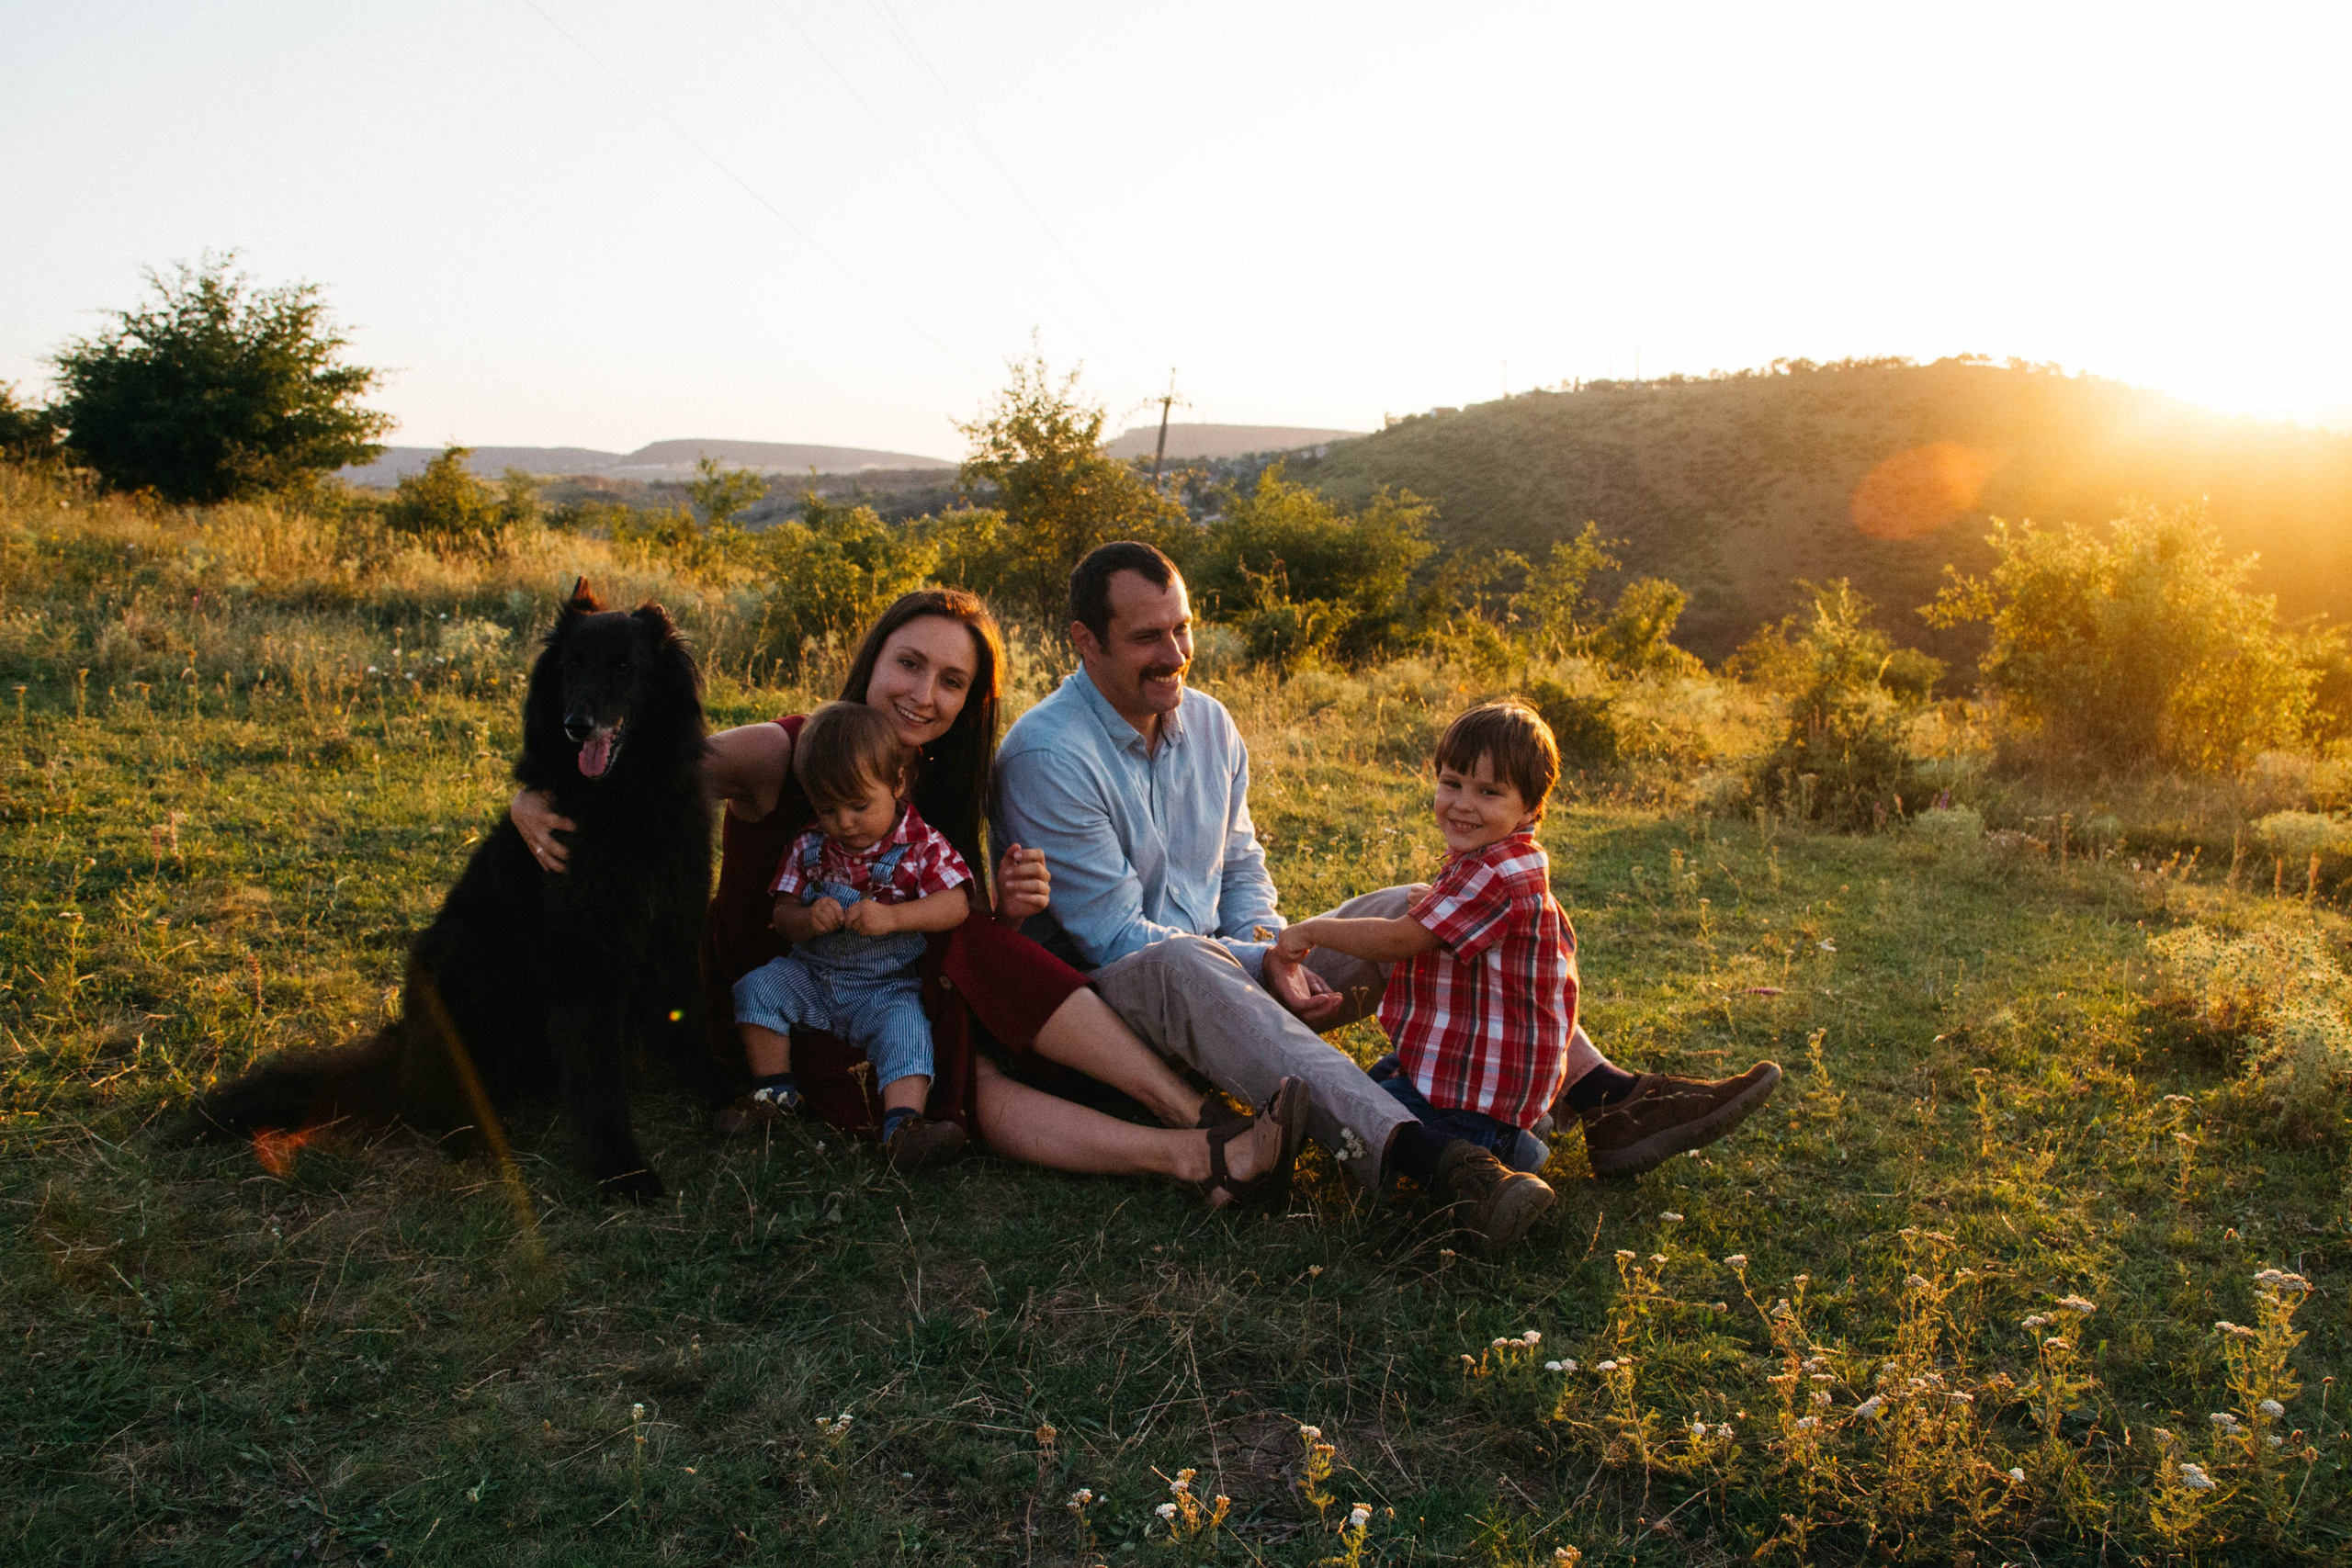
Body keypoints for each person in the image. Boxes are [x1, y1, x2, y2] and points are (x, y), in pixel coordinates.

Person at [993, 543, 1781, 1257]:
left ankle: (1604, 1097)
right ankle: (1436, 1161)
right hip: (1133, 1008)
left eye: (1184, 629)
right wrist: (1268, 961)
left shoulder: (1208, 722)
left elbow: (1240, 866)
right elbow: (1116, 940)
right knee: (1181, 960)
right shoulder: (1047, 753)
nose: (1176, 656)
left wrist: (1274, 945)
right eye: (1146, 639)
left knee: (1425, 907)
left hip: (1235, 970)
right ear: (1084, 641)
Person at [512, 588, 1309, 1209]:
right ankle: (1194, 1149)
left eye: (952, 680)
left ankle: (1199, 1120)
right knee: (962, 1049)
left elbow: (940, 917)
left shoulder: (934, 781)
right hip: (777, 1005)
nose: (925, 694)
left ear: (971, 698)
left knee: (981, 952)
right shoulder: (785, 749)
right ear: (872, 661)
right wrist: (530, 799)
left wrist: (1012, 910)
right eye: (909, 664)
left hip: (883, 973)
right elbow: (648, 753)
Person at [1273, 700, 1780, 1179]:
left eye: (1489, 792)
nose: (1463, 805)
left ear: (1531, 807)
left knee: (1353, 1113)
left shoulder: (1492, 873)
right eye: (1451, 783)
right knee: (1377, 1081)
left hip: (1470, 1088)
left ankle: (1497, 1150)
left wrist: (1311, 930)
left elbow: (1399, 941)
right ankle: (1538, 1130)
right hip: (1479, 1074)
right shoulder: (1509, 861)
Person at [731, 700, 973, 1173]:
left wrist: (894, 919)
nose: (844, 822)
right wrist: (806, 919)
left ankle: (905, 1128)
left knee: (906, 1031)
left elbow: (956, 903)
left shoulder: (921, 846)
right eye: (828, 809)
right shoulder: (808, 845)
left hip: (884, 988)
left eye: (860, 805)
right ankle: (774, 1093)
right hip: (813, 974)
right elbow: (781, 913)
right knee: (757, 988)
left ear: (897, 783)